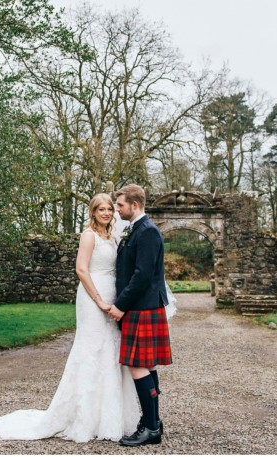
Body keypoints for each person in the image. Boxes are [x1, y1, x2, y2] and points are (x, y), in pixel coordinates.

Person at [0, 193, 139, 442]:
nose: (107, 213)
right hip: (92, 296)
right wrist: (99, 300)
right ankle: (85, 417)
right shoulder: (88, 235)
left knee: (110, 349)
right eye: (102, 209)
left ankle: (109, 416)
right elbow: (81, 269)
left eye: (110, 208)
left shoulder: (114, 235)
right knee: (91, 349)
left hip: (112, 292)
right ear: (93, 212)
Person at [108, 183, 172, 447]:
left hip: (141, 306)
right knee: (147, 365)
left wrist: (120, 305)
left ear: (134, 205)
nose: (117, 209)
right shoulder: (136, 229)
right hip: (144, 306)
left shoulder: (146, 232)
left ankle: (151, 429)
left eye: (120, 205)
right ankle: (152, 420)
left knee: (136, 364)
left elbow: (142, 276)